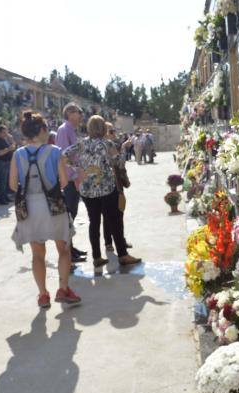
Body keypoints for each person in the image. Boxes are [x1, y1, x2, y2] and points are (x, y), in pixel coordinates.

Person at [9, 111, 81, 308]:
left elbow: (13, 185)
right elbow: (64, 182)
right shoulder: (55, 151)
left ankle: (42, 294)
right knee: (63, 248)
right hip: (54, 206)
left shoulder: (18, 154)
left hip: (30, 209)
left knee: (37, 254)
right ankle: (63, 288)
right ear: (41, 130)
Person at [63, 116, 141, 267]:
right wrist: (121, 152)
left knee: (94, 222)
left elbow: (64, 154)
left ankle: (97, 257)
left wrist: (77, 167)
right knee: (114, 221)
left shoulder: (81, 143)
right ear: (104, 128)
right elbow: (119, 162)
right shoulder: (107, 144)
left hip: (87, 190)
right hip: (106, 188)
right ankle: (123, 255)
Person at [55, 102, 87, 263]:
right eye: (78, 112)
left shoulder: (71, 130)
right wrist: (75, 174)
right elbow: (64, 156)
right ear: (69, 113)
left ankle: (71, 248)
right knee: (69, 215)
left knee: (72, 215)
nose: (80, 115)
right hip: (69, 179)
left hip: (73, 178)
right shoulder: (64, 129)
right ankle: (68, 251)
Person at [103, 122, 131, 253]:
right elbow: (119, 163)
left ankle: (120, 241)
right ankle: (110, 242)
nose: (114, 133)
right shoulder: (104, 147)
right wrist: (123, 151)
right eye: (111, 131)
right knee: (111, 216)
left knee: (118, 213)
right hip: (111, 185)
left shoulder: (112, 146)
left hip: (117, 184)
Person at [0, 125, 16, 204]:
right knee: (2, 181)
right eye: (4, 132)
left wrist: (11, 139)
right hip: (1, 162)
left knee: (5, 181)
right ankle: (2, 199)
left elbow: (13, 146)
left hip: (6, 162)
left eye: (6, 132)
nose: (6, 134)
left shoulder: (4, 139)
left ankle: (5, 197)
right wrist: (8, 149)